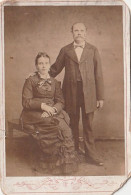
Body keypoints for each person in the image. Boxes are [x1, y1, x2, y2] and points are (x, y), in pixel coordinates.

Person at [49, 22, 104, 166]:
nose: (78, 32)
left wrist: (100, 96)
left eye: (81, 30)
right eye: (76, 30)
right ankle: (72, 152)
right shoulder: (65, 50)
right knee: (72, 123)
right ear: (71, 32)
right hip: (71, 93)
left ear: (86, 32)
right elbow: (54, 69)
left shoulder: (93, 50)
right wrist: (38, 75)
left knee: (88, 125)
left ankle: (91, 155)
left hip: (89, 93)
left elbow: (98, 74)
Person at [20, 52, 79, 175]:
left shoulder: (54, 81)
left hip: (52, 112)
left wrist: (53, 110)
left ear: (49, 65)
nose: (43, 66)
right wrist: (43, 107)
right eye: (40, 63)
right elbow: (26, 102)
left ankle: (65, 165)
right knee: (53, 126)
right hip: (33, 113)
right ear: (36, 66)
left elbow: (61, 101)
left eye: (46, 63)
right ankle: (49, 164)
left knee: (66, 128)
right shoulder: (30, 80)